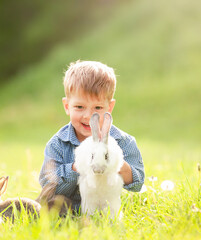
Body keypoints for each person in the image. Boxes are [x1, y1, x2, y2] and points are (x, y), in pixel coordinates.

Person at [39, 60, 145, 210]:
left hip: (105, 207)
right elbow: (47, 184)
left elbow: (138, 181)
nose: (88, 116)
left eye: (98, 107)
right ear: (67, 106)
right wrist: (77, 167)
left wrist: (114, 161)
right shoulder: (58, 143)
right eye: (79, 107)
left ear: (110, 107)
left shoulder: (122, 142)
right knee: (49, 209)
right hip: (67, 210)